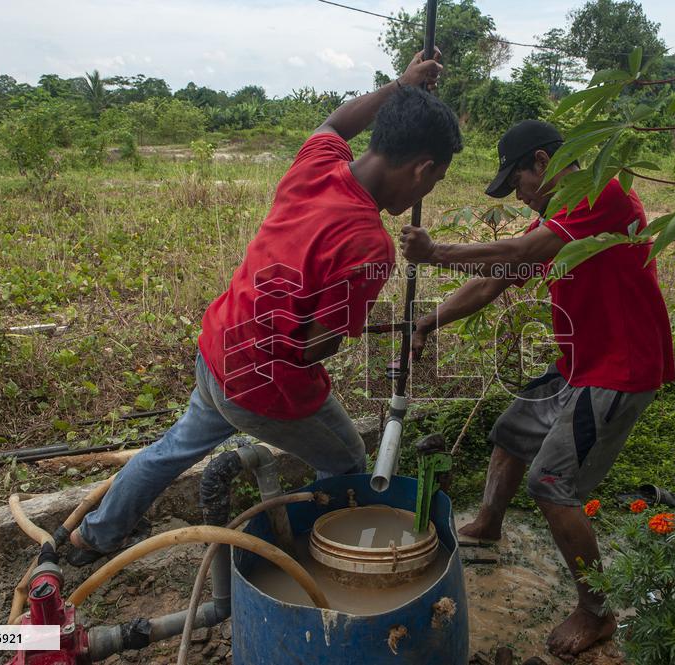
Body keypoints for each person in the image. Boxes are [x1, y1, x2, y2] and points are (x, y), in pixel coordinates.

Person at [68, 51, 462, 564]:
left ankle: (90, 538)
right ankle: (328, 560)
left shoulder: (317, 163)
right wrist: (353, 327)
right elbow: (308, 351)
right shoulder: (369, 244)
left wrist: (400, 84)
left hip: (218, 349)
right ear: (422, 168)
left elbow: (335, 122)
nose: (428, 190)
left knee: (168, 451)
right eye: (433, 182)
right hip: (263, 385)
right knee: (346, 460)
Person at [400, 120, 675, 659]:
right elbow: (495, 278)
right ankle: (486, 525)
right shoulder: (559, 217)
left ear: (544, 163)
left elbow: (517, 249)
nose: (520, 194)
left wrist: (436, 253)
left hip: (617, 370)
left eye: (518, 181)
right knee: (511, 432)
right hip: (579, 363)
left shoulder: (601, 194)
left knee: (552, 485)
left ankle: (597, 611)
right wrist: (430, 320)